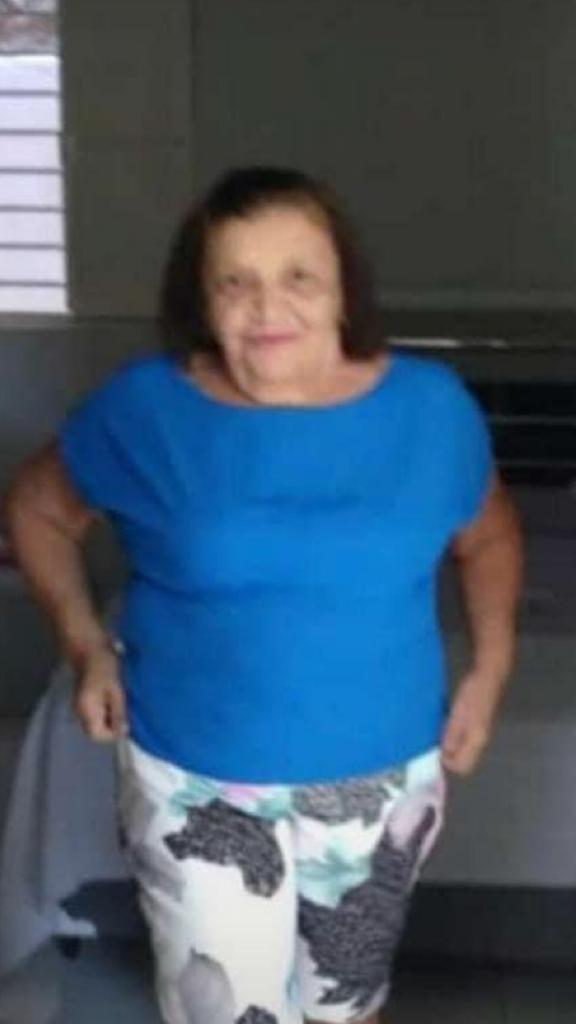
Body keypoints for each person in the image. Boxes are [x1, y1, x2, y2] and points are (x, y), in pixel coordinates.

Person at [6, 167, 522, 1024]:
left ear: (344, 290)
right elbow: (36, 511)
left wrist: (491, 668)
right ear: (202, 301)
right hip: (196, 775)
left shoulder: (431, 410)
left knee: (345, 1006)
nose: (267, 308)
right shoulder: (146, 409)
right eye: (235, 283)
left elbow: (489, 535)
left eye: (298, 278)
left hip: (385, 776)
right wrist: (85, 643)